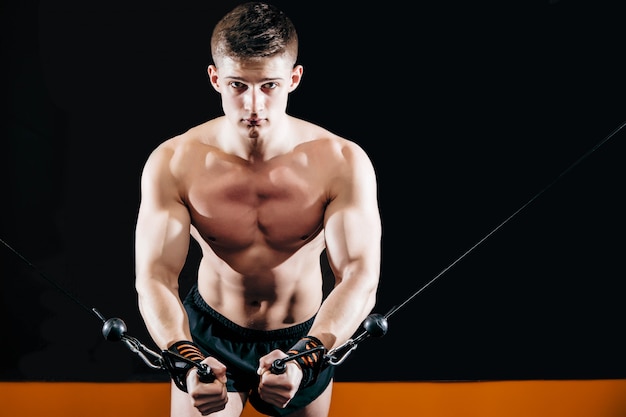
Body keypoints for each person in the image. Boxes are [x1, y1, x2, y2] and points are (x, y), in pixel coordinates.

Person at [134, 2, 382, 416]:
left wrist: (307, 357)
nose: (253, 106)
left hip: (307, 337)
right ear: (215, 78)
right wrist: (185, 356)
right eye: (237, 85)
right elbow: (155, 277)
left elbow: (359, 275)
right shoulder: (174, 162)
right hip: (207, 337)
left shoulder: (341, 162)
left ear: (294, 78)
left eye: (269, 85)